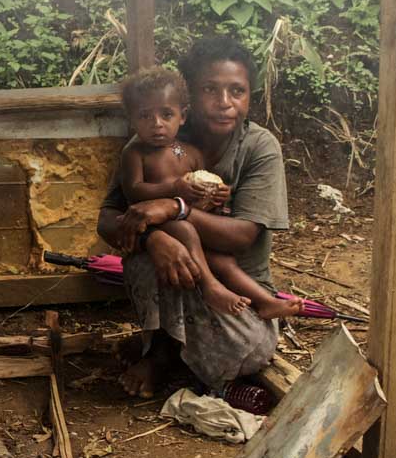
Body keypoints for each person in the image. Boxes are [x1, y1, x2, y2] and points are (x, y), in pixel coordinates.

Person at [97, 37, 290, 398]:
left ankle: (172, 355)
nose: (224, 103)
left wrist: (174, 208)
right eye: (210, 90)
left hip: (237, 290)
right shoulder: (155, 140)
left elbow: (242, 236)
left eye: (238, 91)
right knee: (148, 255)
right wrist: (153, 238)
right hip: (180, 274)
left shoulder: (258, 147)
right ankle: (164, 354)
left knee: (248, 345)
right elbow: (109, 219)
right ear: (188, 101)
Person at [115, 65, 300, 321]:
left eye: (166, 114)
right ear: (131, 120)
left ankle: (265, 301)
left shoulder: (186, 150)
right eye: (145, 116)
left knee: (223, 261)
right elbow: (134, 192)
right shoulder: (135, 152)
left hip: (191, 226)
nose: (156, 124)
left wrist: (217, 199)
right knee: (185, 231)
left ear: (182, 115)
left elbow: (202, 197)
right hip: (161, 226)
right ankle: (210, 287)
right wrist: (174, 190)